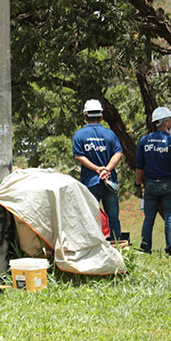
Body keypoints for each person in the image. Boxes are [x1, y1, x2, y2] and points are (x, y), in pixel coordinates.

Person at [134, 107, 171, 255]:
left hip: (150, 185)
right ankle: (170, 250)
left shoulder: (144, 141)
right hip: (168, 185)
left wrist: (137, 185)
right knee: (170, 219)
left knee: (148, 219)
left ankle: (145, 250)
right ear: (164, 123)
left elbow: (139, 167)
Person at [72, 99, 124, 241]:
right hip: (109, 181)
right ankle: (116, 247)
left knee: (91, 217)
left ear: (85, 116)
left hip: (90, 182)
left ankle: (94, 247)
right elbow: (118, 153)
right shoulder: (110, 134)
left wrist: (97, 169)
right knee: (113, 217)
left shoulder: (80, 135)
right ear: (101, 117)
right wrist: (106, 169)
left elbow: (79, 156)